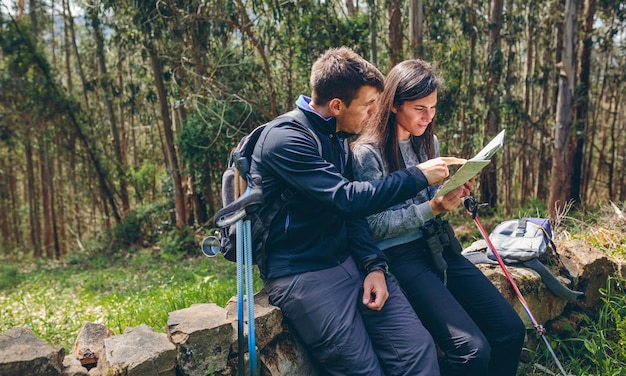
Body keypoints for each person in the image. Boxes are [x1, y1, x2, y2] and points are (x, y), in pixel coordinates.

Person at [250, 47, 457, 375]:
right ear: (336, 106)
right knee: (363, 369)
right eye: (368, 105)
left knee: (417, 349)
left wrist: (373, 265)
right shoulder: (286, 140)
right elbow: (347, 199)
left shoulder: (337, 139)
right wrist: (417, 176)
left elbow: (351, 216)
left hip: (349, 261)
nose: (376, 113)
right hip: (302, 273)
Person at [352, 59, 526, 376]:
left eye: (432, 108)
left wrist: (449, 195)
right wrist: (431, 208)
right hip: (400, 256)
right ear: (392, 105)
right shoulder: (367, 153)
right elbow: (373, 227)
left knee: (511, 330)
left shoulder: (428, 142)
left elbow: (426, 202)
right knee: (472, 353)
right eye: (420, 108)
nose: (428, 116)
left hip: (439, 245)